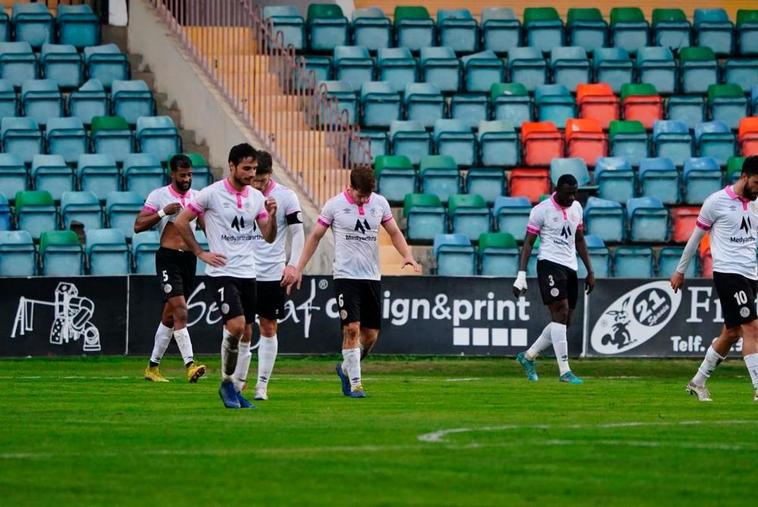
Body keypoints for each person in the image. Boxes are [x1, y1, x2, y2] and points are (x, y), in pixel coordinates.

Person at [288, 166, 420, 398]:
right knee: (351, 329)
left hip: (371, 277)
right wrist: (299, 267)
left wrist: (407, 254)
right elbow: (315, 236)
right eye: (361, 196)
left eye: (367, 196)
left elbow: (394, 233)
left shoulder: (379, 203)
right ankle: (356, 384)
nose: (364, 200)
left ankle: (345, 368)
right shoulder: (334, 205)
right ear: (351, 187)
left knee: (370, 336)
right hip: (346, 277)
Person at [174, 143, 278, 409]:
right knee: (236, 325)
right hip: (221, 272)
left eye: (254, 168)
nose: (251, 173)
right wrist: (200, 252)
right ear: (231, 166)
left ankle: (236, 389)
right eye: (246, 168)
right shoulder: (211, 194)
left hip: (248, 272)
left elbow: (268, 237)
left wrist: (273, 217)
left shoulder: (256, 198)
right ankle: (226, 383)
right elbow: (180, 221)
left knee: (247, 332)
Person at [671, 155, 758, 402]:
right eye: (756, 182)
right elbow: (695, 239)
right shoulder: (716, 202)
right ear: (744, 177)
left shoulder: (756, 202)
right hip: (728, 273)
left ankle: (697, 382)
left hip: (750, 274)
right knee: (752, 327)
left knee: (731, 333)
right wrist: (680, 270)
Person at [512, 174, 595, 384]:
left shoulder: (576, 208)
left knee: (564, 323)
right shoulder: (541, 211)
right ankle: (565, 371)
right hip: (549, 263)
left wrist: (590, 271)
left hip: (570, 266)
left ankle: (528, 356)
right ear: (558, 190)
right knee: (561, 311)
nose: (572, 197)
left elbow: (579, 239)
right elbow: (529, 243)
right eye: (569, 193)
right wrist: (521, 275)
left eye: (575, 192)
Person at [134, 154, 206, 383]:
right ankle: (190, 365)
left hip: (189, 260)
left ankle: (152, 368)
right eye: (183, 175)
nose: (187, 179)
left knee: (169, 316)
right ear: (172, 174)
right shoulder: (159, 196)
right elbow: (138, 226)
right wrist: (163, 212)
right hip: (168, 258)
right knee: (181, 310)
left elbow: (207, 226)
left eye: (190, 175)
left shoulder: (197, 198)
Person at [249, 150, 305, 401]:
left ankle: (261, 386)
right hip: (243, 270)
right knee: (239, 328)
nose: (257, 185)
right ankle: (235, 382)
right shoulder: (242, 195)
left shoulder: (285, 196)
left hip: (272, 271)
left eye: (261, 180)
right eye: (253, 179)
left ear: (270, 174)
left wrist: (293, 265)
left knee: (268, 327)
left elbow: (298, 233)